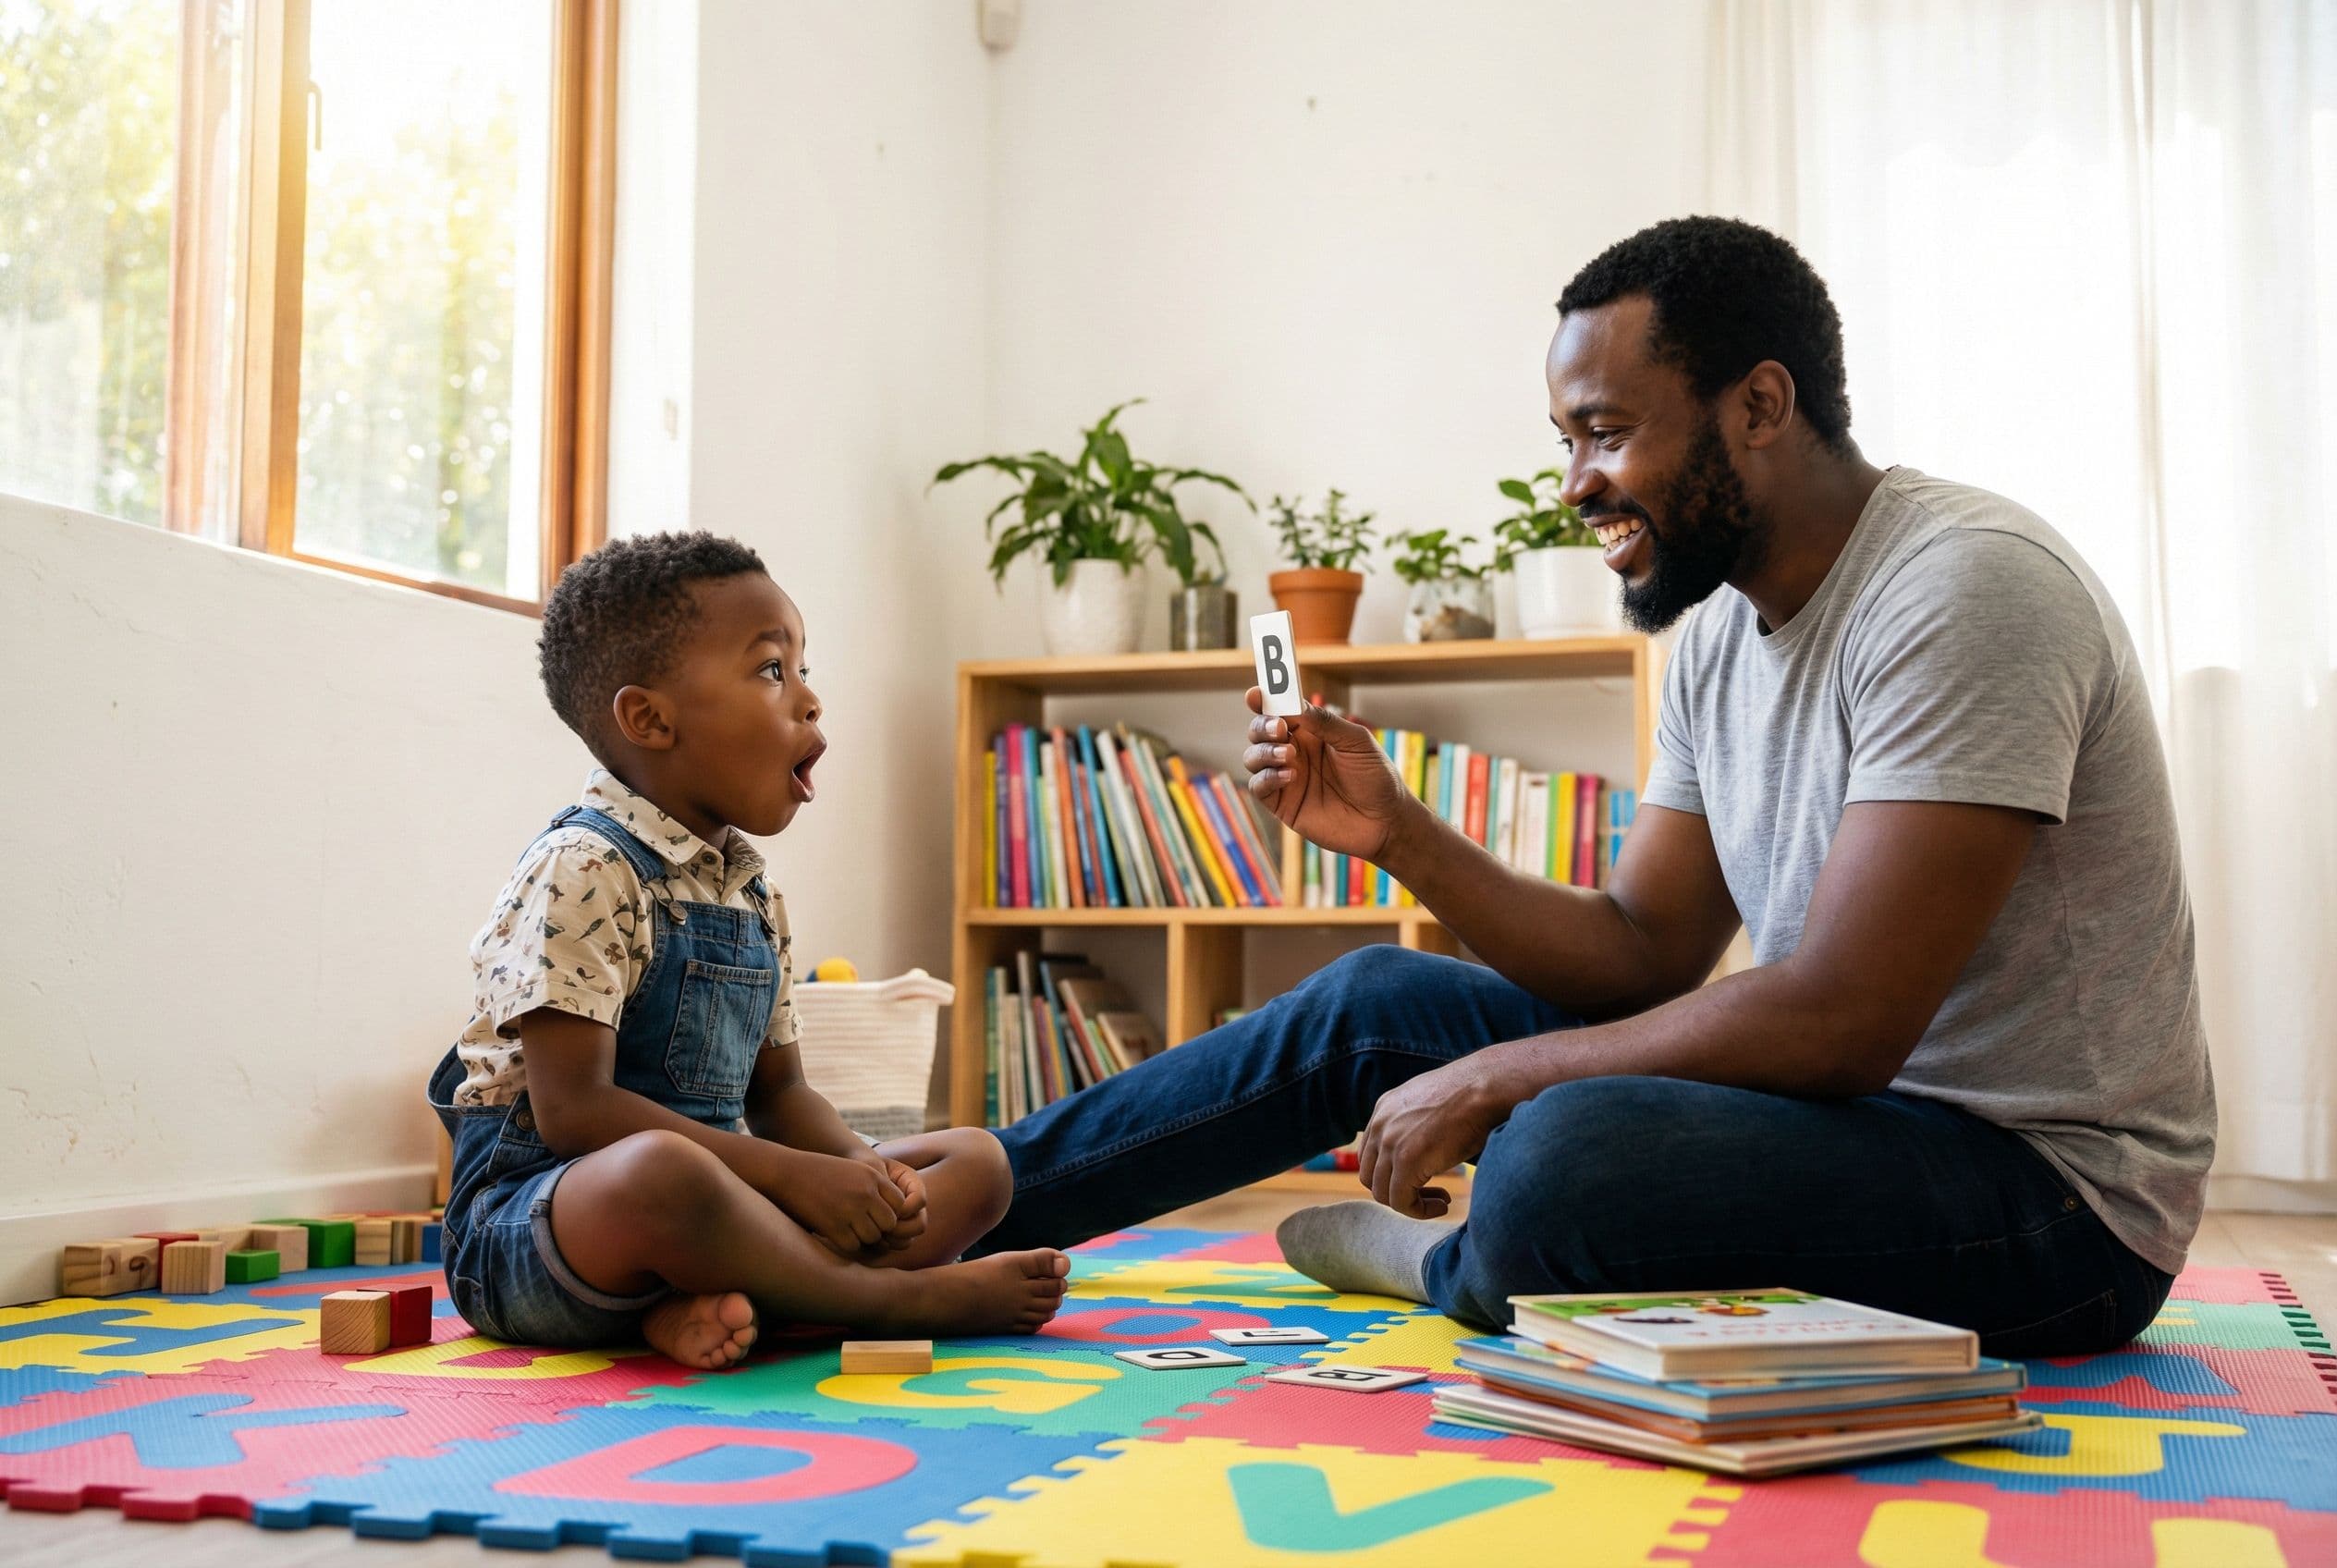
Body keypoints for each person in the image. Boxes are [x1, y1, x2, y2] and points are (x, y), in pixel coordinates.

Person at [977, 217, 2213, 1357]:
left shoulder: (1967, 588)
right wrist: (1402, 835)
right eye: (1566, 441)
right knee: (1368, 1001)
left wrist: (1499, 1080)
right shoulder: (1720, 638)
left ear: (1760, 406)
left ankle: (1458, 1262)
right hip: (1839, 1126)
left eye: (1607, 432)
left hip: (2053, 1207)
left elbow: (1843, 1019)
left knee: (1569, 1152)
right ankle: (968, 1199)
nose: (1575, 484)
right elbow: (1638, 951)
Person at [427, 533, 1067, 1368]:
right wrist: (794, 1182)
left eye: (803, 670)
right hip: (537, 1230)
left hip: (726, 1212)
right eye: (773, 671)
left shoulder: (752, 892)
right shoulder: (580, 867)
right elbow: (576, 1113)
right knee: (661, 1172)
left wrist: (858, 1176)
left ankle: (727, 1301)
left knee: (977, 1160)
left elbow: (783, 1095)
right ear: (650, 719)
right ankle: (883, 1301)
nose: (809, 701)